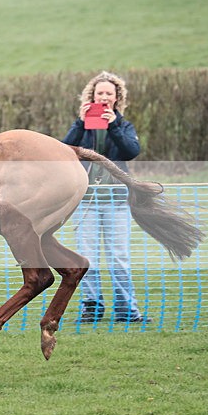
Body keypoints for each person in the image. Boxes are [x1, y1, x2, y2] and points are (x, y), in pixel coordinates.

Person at [61, 71, 151, 324]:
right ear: (91, 96)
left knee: (119, 258)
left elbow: (131, 151)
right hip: (86, 201)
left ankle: (127, 311)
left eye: (108, 93)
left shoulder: (124, 126)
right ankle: (92, 309)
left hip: (116, 200)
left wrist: (113, 126)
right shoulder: (81, 126)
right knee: (87, 257)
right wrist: (80, 124)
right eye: (99, 93)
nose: (104, 97)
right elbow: (63, 150)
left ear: (116, 97)